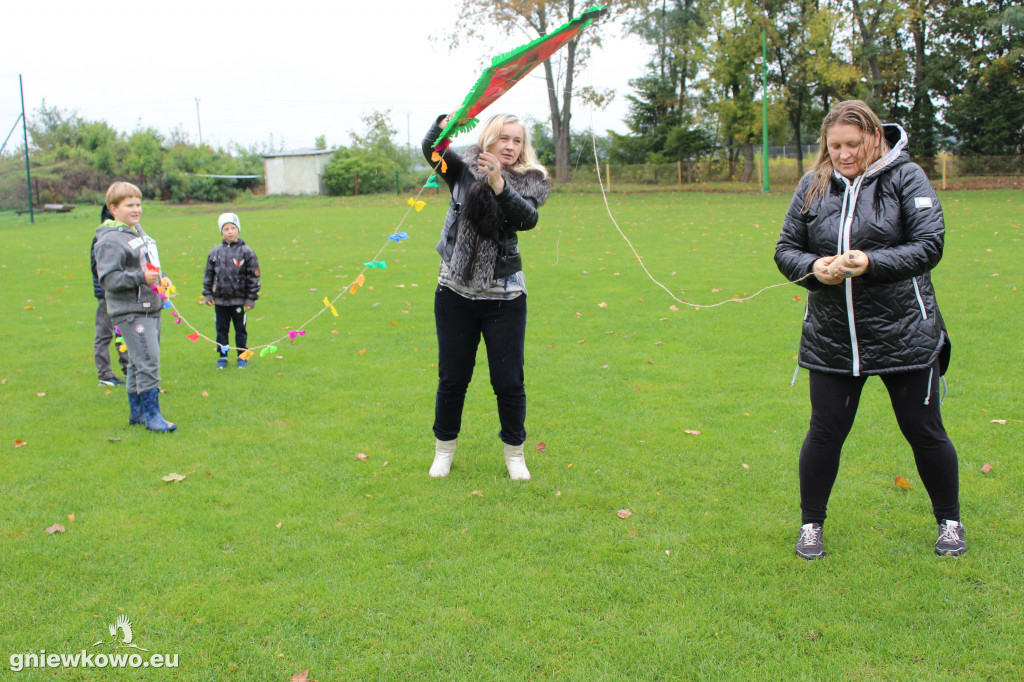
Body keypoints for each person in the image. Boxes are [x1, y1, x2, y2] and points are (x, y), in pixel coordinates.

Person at [775, 99, 963, 559]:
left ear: (875, 137)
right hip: (834, 338)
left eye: (852, 144)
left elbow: (929, 246)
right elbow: (785, 250)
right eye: (834, 145)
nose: (843, 154)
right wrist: (814, 266)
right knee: (824, 433)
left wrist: (870, 262)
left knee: (924, 430)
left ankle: (950, 522)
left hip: (905, 333)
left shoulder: (907, 177)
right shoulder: (813, 185)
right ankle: (811, 527)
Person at [421, 113, 551, 480]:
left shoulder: (531, 182)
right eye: (504, 138)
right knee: (453, 378)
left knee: (508, 381)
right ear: (489, 139)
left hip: (504, 298)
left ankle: (515, 454)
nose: (511, 146)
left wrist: (498, 183)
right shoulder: (461, 171)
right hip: (454, 292)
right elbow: (431, 151)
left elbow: (526, 219)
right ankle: (444, 450)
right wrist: (442, 125)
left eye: (517, 140)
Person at [93, 181, 176, 432]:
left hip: (151, 305)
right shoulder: (109, 240)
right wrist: (141, 277)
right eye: (129, 205)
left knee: (139, 363)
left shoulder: (137, 231)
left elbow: (148, 263)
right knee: (149, 361)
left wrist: (161, 278)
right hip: (131, 312)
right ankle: (153, 417)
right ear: (113, 208)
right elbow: (108, 279)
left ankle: (137, 414)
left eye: (138, 204)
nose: (136, 209)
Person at [202, 212, 261, 369]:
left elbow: (253, 277)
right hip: (220, 300)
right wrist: (208, 294)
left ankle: (242, 356)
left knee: (240, 330)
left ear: (238, 229)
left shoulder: (247, 252)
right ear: (221, 231)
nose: (230, 231)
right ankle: (223, 356)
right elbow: (208, 275)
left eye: (233, 228)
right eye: (226, 228)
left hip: (239, 300)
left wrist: (250, 299)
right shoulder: (215, 253)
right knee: (221, 329)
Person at [91, 204, 129, 387]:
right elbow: (98, 268)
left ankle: (129, 369)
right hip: (106, 294)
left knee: (123, 333)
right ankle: (104, 374)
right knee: (104, 334)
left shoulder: (125, 235)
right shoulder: (102, 238)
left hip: (122, 294)